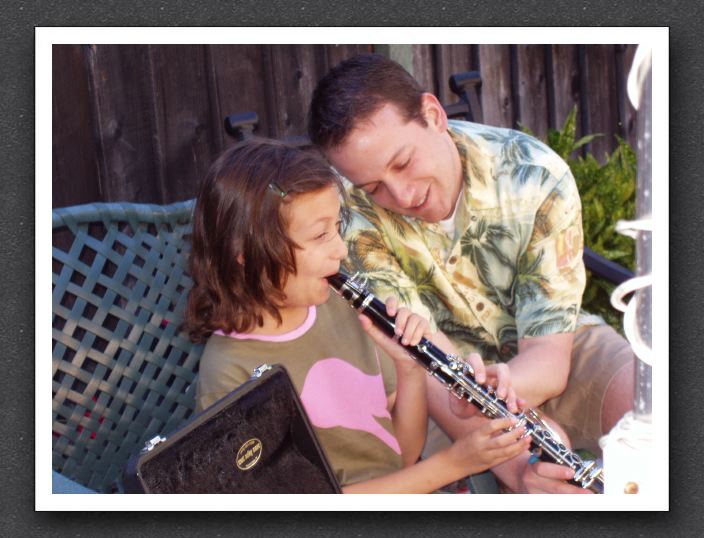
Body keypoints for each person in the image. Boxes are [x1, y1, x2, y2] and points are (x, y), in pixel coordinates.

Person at [307, 53, 635, 493]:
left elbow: (549, 359)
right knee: (544, 479)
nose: (401, 195)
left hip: (550, 349)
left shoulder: (534, 175)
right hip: (440, 392)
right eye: (373, 187)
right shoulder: (347, 220)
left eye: (403, 163)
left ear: (433, 115)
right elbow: (427, 365)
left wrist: (508, 385)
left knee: (653, 402)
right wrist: (520, 466)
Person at [183, 138, 529, 493]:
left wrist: (408, 367)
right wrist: (456, 463)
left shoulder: (342, 308)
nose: (340, 249)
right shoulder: (229, 372)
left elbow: (400, 457)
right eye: (320, 235)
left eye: (337, 228)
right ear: (246, 253)